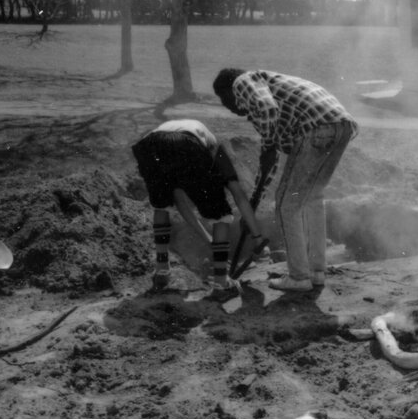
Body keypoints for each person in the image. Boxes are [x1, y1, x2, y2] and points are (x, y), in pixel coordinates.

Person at [212, 67, 358, 292]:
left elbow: (266, 108)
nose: (229, 107)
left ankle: (299, 277)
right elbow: (270, 162)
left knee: (286, 205)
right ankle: (316, 272)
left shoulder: (242, 82)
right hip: (340, 125)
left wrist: (269, 145)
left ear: (227, 90)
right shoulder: (270, 94)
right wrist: (254, 202)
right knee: (312, 198)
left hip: (316, 127)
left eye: (224, 100)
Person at [131, 118, 267, 295]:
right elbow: (238, 194)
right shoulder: (217, 151)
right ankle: (221, 282)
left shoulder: (191, 139)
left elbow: (178, 201)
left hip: (148, 146)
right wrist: (258, 240)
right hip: (185, 143)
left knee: (162, 205)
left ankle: (162, 270)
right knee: (221, 214)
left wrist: (207, 239)